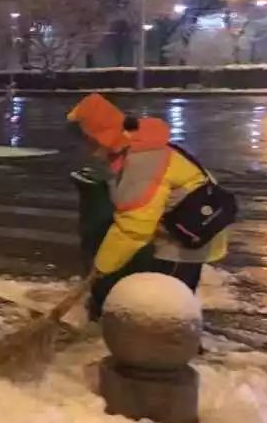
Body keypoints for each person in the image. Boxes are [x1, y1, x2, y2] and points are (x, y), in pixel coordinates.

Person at [67, 92, 228, 296]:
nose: (86, 151)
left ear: (97, 138)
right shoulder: (140, 145)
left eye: (86, 143)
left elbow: (133, 228)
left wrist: (101, 267)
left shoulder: (142, 161)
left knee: (165, 303)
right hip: (190, 226)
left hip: (188, 239)